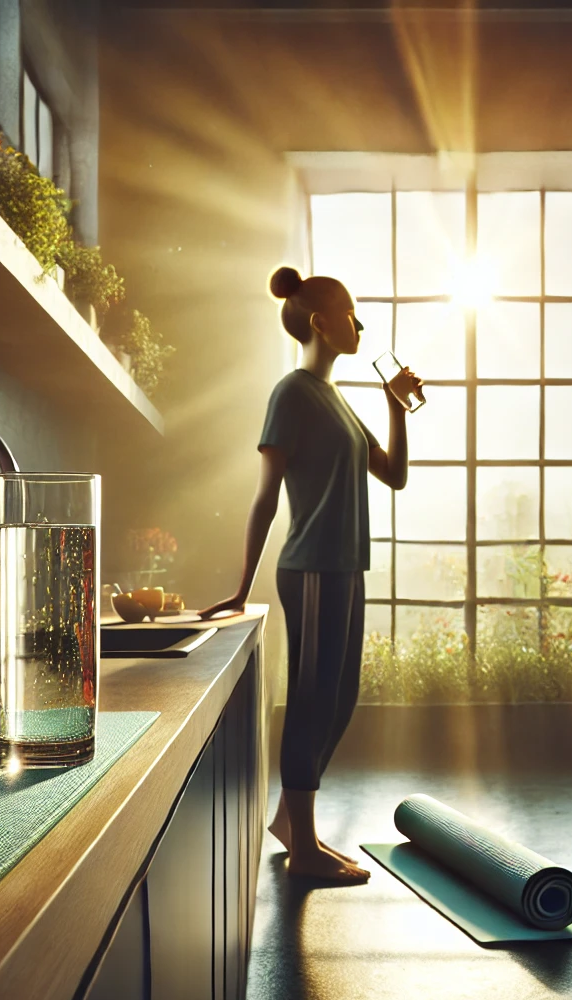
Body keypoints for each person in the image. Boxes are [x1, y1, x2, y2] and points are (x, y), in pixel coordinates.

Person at [199, 265, 423, 883]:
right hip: (313, 568)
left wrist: (395, 405)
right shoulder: (292, 393)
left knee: (340, 696)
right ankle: (305, 848)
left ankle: (288, 820)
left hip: (347, 567)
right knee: (312, 699)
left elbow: (395, 474)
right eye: (350, 313)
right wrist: (243, 586)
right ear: (321, 322)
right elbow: (266, 495)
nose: (360, 324)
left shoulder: (339, 400)